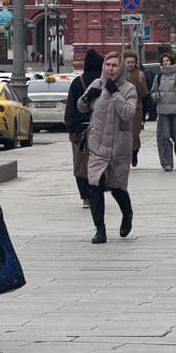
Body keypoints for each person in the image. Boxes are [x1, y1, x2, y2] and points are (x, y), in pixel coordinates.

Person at [77, 52, 137, 244]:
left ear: (121, 68)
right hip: (97, 146)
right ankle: (100, 229)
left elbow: (128, 113)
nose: (110, 69)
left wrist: (116, 94)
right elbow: (81, 107)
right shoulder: (97, 84)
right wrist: (87, 98)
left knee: (118, 188)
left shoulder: (129, 89)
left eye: (114, 65)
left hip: (119, 148)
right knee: (95, 185)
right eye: (108, 65)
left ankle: (127, 213)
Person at [64, 48, 103, 209]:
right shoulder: (104, 82)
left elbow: (70, 108)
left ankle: (86, 196)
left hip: (80, 129)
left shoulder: (77, 82)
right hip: (101, 128)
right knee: (98, 161)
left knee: (80, 163)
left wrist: (70, 129)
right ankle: (97, 192)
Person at [123, 49, 149, 166]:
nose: (130, 64)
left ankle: (134, 152)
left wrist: (142, 83)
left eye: (132, 62)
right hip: (121, 108)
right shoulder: (119, 74)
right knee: (123, 135)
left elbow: (143, 94)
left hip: (136, 109)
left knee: (134, 134)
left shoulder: (139, 74)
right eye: (128, 62)